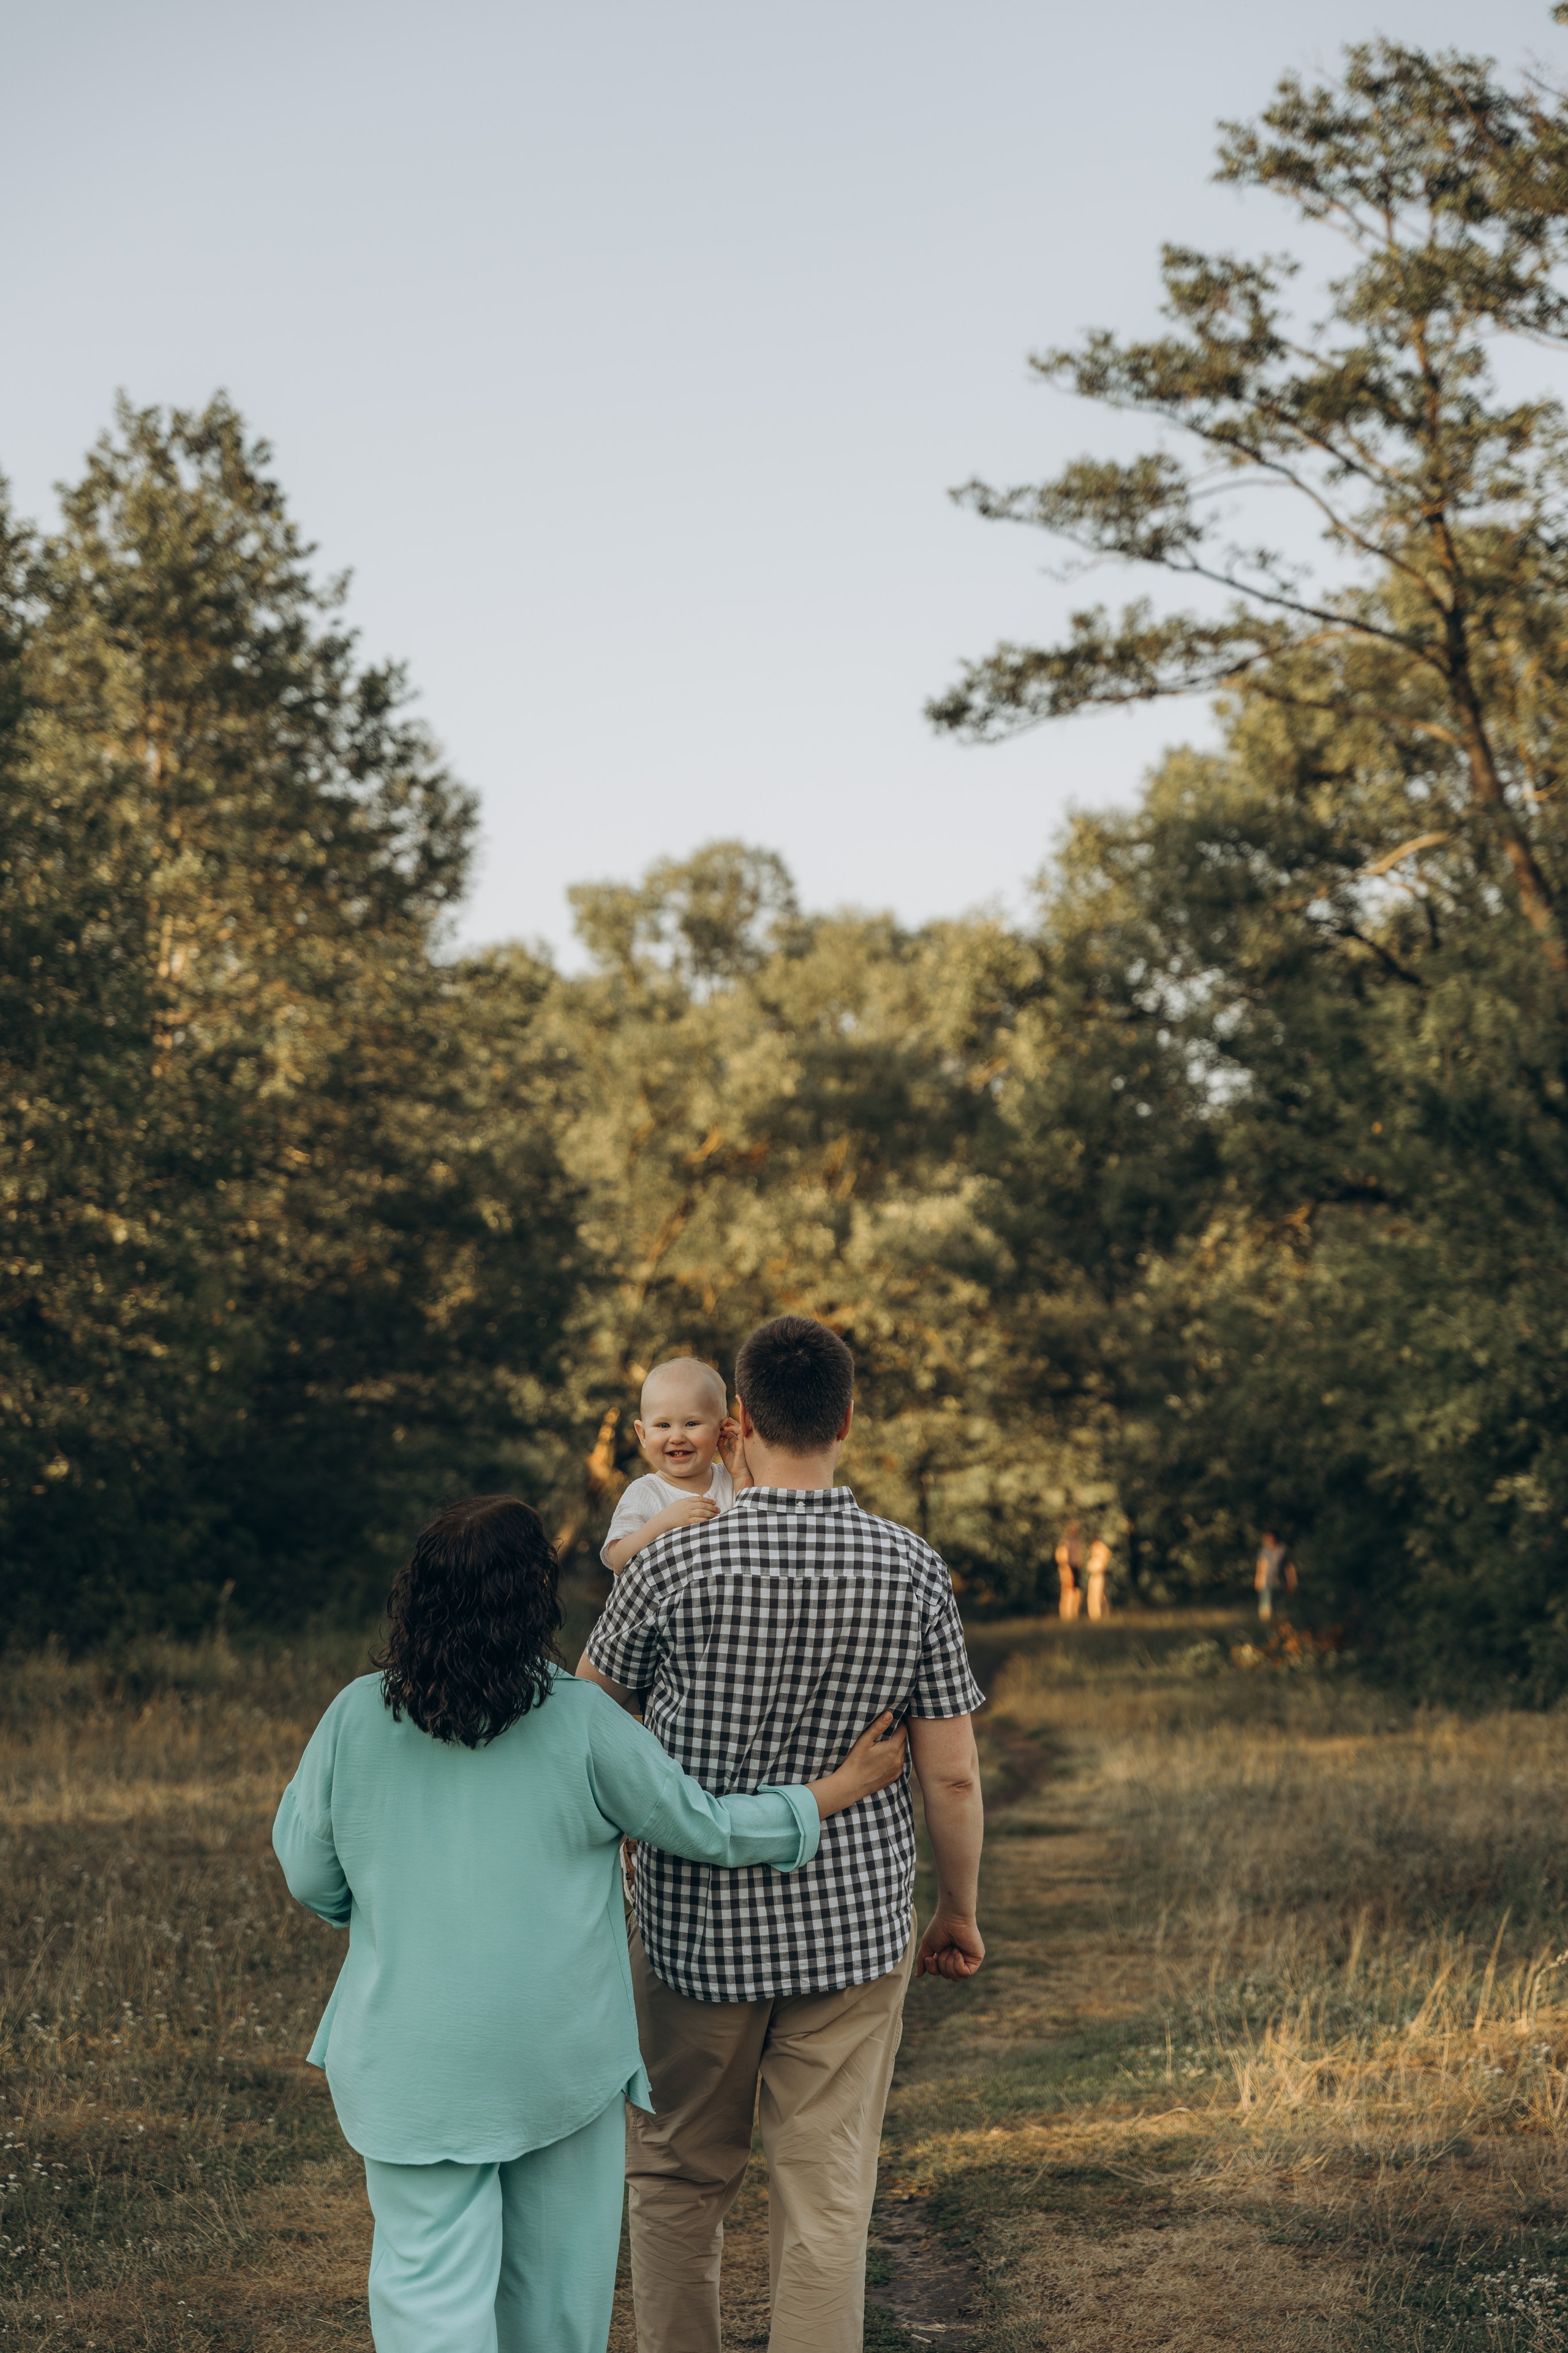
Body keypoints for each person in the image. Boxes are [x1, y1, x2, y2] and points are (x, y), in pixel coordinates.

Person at [271, 1492, 906, 2353]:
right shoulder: (580, 1718)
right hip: (558, 2056)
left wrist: (385, 1907)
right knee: (555, 2305)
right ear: (537, 1596)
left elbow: (310, 1870)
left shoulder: (355, 1716)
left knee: (427, 2294)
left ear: (415, 1592)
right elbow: (705, 1827)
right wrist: (828, 1794)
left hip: (409, 2057)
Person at [579, 1313, 986, 2353]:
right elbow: (948, 1768)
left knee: (675, 2176)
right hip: (850, 1936)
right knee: (828, 2191)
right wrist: (957, 1909)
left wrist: (636, 1821)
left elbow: (586, 1721)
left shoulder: (668, 1568)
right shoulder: (911, 1567)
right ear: (847, 1419)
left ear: (739, 1422)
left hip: (687, 1927)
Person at [602, 1357, 749, 1574]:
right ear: (643, 1435)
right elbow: (617, 1560)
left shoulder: (731, 1481)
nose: (677, 1437)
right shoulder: (645, 1492)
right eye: (663, 1425)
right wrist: (663, 1523)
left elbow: (753, 1532)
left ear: (722, 1429)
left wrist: (741, 1476)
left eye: (691, 1423)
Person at [1255, 1528, 1296, 1622]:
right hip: (1267, 1580)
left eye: (1273, 1539)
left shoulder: (1283, 1550)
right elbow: (1261, 1565)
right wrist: (1258, 1579)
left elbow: (1289, 1567)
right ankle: (1266, 1623)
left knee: (1281, 1604)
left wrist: (1291, 1582)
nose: (1271, 1541)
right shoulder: (1264, 1551)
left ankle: (1282, 1621)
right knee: (1265, 1604)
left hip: (1280, 1581)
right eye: (1269, 1539)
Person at [1055, 1519, 1085, 1620]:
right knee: (1067, 1591)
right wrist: (1067, 1570)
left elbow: (1079, 1556)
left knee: (1076, 1592)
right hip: (1067, 1568)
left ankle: (1074, 1614)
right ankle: (1066, 1615)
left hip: (1076, 1568)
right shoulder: (1065, 1541)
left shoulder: (1077, 1541)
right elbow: (1062, 1557)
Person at [1084, 1535, 1113, 1620]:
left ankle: (1098, 1616)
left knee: (1098, 1596)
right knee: (1092, 1596)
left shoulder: (1100, 1547)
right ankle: (1094, 1615)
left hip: (1099, 1575)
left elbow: (1107, 1555)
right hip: (1094, 1575)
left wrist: (1102, 1565)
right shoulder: (1094, 1548)